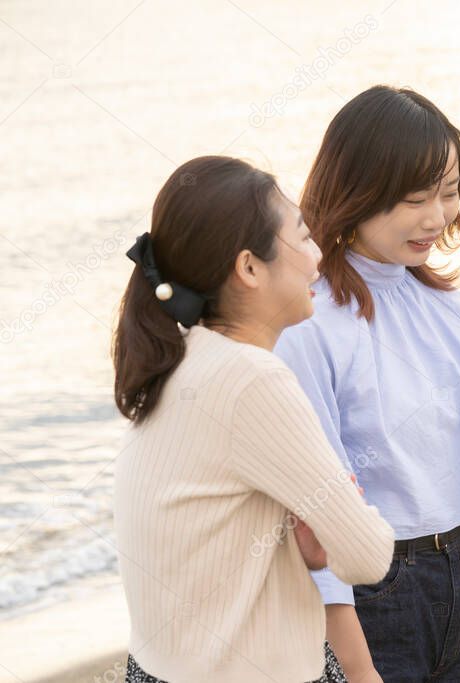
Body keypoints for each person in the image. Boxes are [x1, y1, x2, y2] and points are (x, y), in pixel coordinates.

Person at [275, 86, 460, 683]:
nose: (436, 218)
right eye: (415, 198)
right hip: (373, 597)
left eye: (448, 193)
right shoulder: (308, 322)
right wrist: (359, 670)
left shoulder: (454, 314)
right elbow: (316, 506)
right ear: (357, 193)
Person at [112, 155, 395, 683]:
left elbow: (199, 544)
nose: (317, 259)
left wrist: (295, 545)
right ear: (248, 268)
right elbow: (368, 557)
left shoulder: (178, 358)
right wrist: (346, 515)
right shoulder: (252, 380)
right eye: (305, 237)